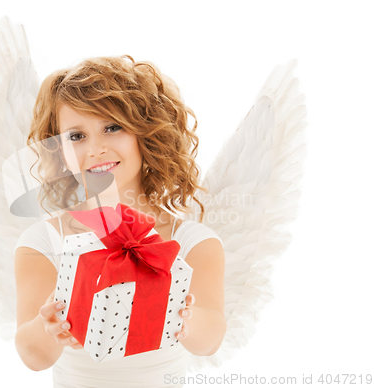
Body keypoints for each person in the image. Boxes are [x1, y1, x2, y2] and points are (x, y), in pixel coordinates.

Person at [13, 55, 226, 387]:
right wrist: (48, 326)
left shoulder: (194, 242)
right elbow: (33, 357)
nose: (96, 148)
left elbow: (210, 340)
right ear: (60, 152)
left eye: (112, 128)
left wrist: (185, 317)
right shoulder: (42, 242)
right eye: (76, 136)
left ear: (146, 135)